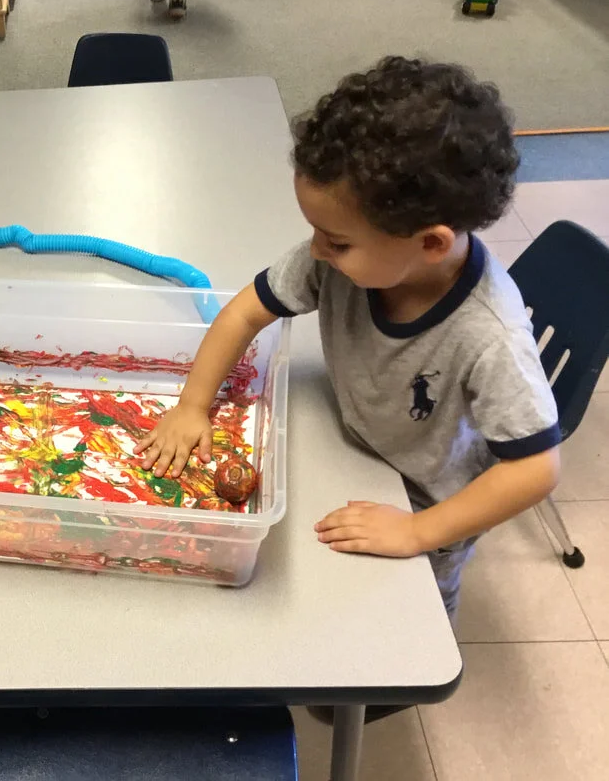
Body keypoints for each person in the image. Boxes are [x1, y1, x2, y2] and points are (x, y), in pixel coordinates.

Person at [135, 55, 559, 649]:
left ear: (430, 244)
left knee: (409, 629)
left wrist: (418, 533)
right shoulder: (344, 256)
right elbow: (244, 312)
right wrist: (191, 406)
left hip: (425, 498)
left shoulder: (491, 335)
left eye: (336, 241)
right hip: (351, 450)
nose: (316, 251)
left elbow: (535, 469)